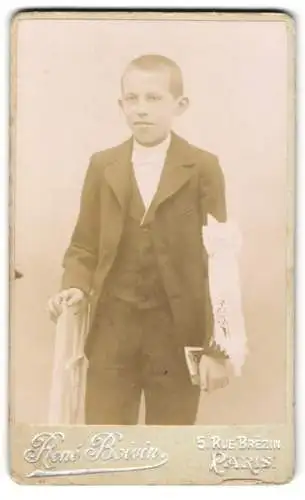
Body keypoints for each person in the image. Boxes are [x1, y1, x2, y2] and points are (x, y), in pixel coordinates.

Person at [48, 54, 231, 425]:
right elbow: (83, 245)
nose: (141, 109)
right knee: (106, 447)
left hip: (178, 338)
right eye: (132, 99)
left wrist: (218, 349)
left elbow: (221, 261)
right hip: (112, 335)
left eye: (153, 98)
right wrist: (77, 286)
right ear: (121, 105)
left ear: (180, 105)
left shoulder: (202, 167)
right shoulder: (103, 165)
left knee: (170, 451)